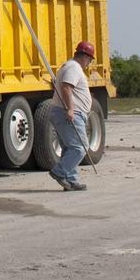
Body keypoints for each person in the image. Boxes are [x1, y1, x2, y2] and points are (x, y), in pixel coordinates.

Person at [49, 40, 96, 192]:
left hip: (65, 112)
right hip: (71, 113)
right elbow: (66, 87)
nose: (89, 64)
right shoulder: (74, 68)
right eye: (90, 60)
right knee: (80, 148)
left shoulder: (68, 66)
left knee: (70, 148)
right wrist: (70, 109)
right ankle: (59, 172)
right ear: (85, 57)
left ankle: (71, 180)